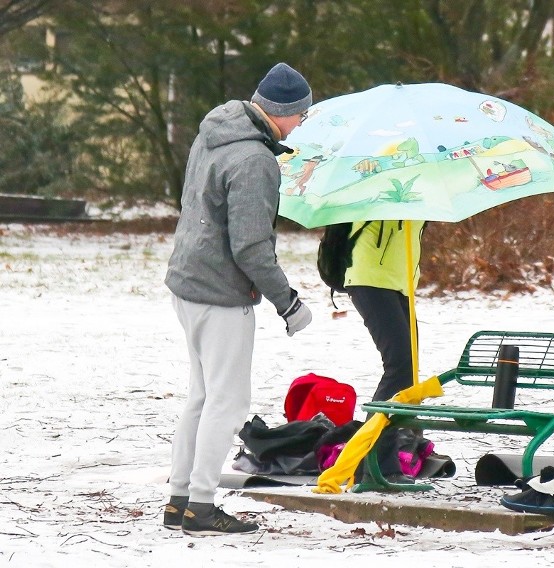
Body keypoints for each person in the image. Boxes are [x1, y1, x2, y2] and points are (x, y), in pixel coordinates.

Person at [162, 62, 314, 536]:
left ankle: (180, 499)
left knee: (202, 397)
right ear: (284, 113)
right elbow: (250, 246)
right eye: (302, 116)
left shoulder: (214, 133)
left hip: (188, 281)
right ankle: (202, 508)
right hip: (220, 293)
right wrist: (288, 301)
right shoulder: (254, 160)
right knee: (226, 402)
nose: (302, 125)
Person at [344, 220, 426, 402]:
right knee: (400, 363)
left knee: (409, 366)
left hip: (401, 283)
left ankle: (405, 427)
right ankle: (376, 429)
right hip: (370, 278)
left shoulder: (423, 193)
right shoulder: (375, 191)